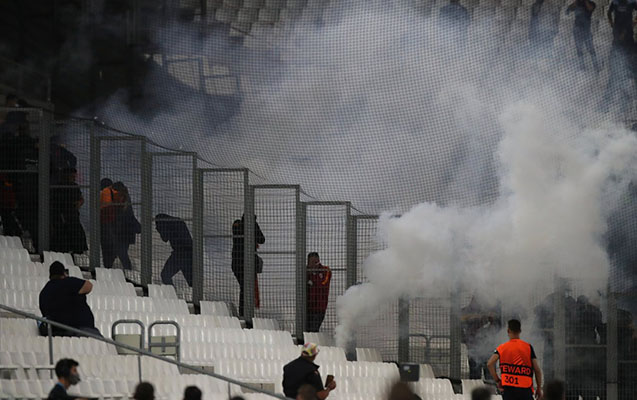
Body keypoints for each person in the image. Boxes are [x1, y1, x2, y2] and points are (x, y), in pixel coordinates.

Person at [39, 261, 101, 337]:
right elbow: (89, 286)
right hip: (81, 330)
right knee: (104, 343)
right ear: (63, 273)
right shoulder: (68, 282)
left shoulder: (44, 292)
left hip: (58, 333)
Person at [487, 319, 543, 400]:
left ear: (508, 331)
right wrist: (538, 387)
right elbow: (537, 370)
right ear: (520, 331)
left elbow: (490, 363)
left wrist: (498, 380)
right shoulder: (528, 347)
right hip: (525, 389)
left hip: (508, 389)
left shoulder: (502, 348)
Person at [231, 214, 265, 316]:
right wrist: (250, 226)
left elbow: (262, 239)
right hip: (239, 263)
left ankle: (246, 312)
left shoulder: (253, 227)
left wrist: (254, 225)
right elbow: (238, 232)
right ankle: (243, 313)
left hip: (249, 264)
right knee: (245, 287)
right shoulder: (237, 224)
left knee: (247, 288)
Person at [462, 295, 502, 379]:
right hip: (474, 347)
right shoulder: (468, 310)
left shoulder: (491, 310)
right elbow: (462, 319)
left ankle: (490, 386)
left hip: (488, 347)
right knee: (475, 374)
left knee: (489, 374)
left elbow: (498, 325)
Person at [50, 167, 88, 254]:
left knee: (76, 238)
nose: (74, 178)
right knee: (63, 240)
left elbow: (81, 198)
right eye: (72, 176)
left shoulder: (74, 186)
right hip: (61, 216)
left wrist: (79, 202)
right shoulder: (58, 187)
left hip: (73, 216)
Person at [155, 213, 193, 286]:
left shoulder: (165, 223)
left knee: (165, 275)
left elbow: (164, 238)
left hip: (180, 253)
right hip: (190, 253)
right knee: (191, 281)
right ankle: (197, 293)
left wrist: (159, 228)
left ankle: (171, 292)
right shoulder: (178, 221)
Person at [111, 181, 140, 270]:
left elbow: (123, 216)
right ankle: (125, 269)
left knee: (121, 252)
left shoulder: (123, 200)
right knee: (120, 252)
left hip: (124, 231)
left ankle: (128, 269)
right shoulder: (124, 198)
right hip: (124, 231)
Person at [566, 0, 601, 71]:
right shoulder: (577, 3)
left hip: (586, 31)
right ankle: (582, 67)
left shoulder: (592, 3)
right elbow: (567, 11)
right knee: (579, 50)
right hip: (577, 30)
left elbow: (590, 8)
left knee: (591, 50)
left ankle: (596, 67)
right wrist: (575, 3)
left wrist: (586, 1)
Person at [306, 252, 332, 332]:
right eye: (311, 263)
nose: (314, 265)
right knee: (306, 330)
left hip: (319, 308)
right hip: (307, 308)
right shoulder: (305, 271)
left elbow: (323, 283)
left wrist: (312, 280)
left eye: (316, 262)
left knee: (313, 329)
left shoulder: (325, 270)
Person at [100, 178, 118, 268]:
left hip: (105, 221)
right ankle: (111, 258)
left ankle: (107, 263)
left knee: (106, 243)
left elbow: (104, 206)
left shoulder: (104, 192)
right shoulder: (116, 193)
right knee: (111, 241)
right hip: (113, 221)